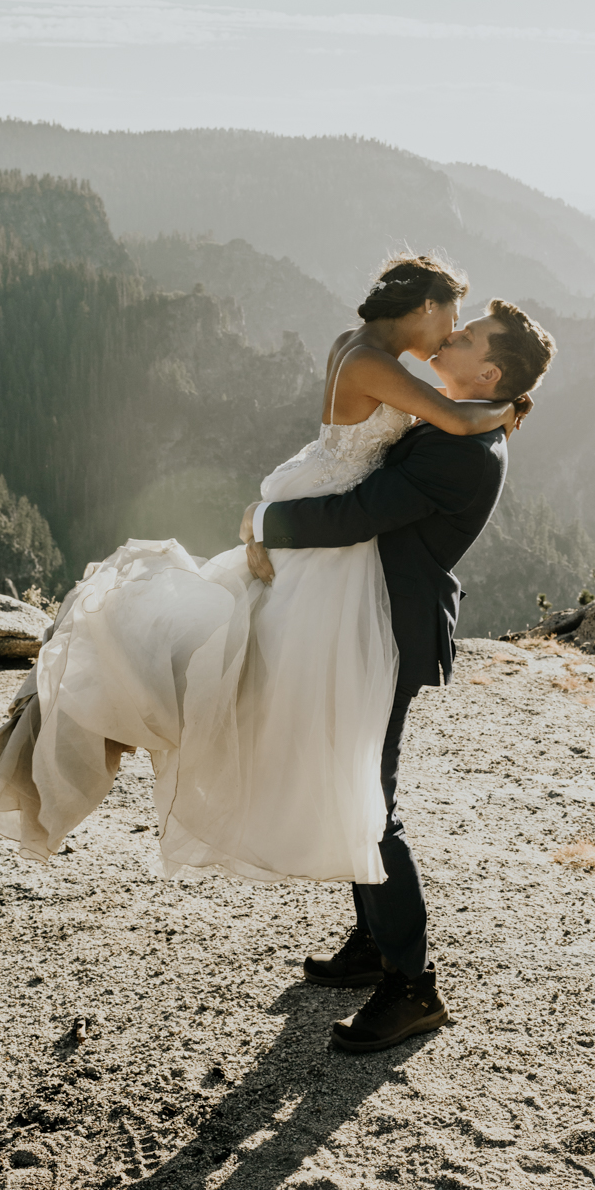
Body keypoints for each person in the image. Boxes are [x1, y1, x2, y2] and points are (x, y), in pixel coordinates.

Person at [0, 255, 526, 889]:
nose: (451, 333)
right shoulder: (376, 363)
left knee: (242, 666)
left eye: (464, 331)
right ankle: (94, 721)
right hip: (323, 515)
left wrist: (270, 516)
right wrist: (505, 412)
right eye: (453, 317)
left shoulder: (362, 348)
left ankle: (107, 717)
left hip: (320, 503)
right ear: (425, 307)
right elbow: (456, 420)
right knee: (233, 669)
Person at [241, 296, 556, 1052]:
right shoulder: (459, 421)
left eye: (469, 333)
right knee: (353, 781)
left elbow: (357, 513)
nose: (453, 332)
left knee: (372, 804)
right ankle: (375, 943)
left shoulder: (461, 445)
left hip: (387, 629)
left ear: (488, 368)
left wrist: (259, 523)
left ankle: (413, 988)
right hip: (369, 619)